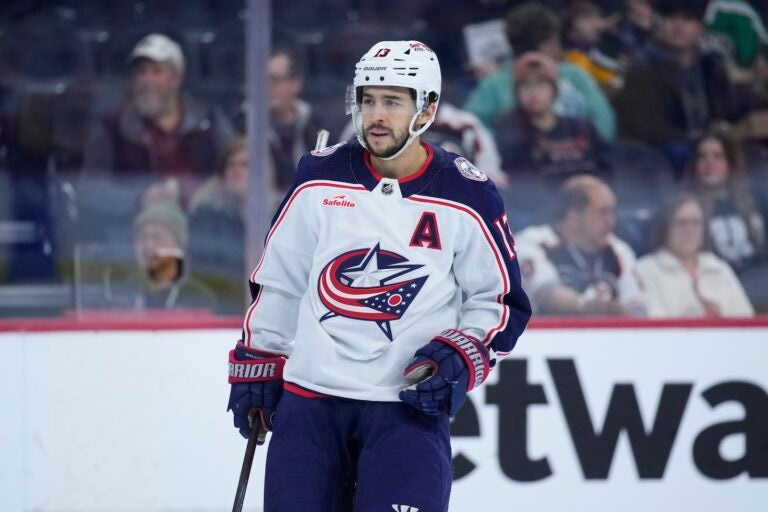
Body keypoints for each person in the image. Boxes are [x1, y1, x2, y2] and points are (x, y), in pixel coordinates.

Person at [226, 40, 531, 511]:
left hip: (405, 411)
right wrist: (261, 355)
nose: (376, 116)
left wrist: (462, 352)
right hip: (310, 404)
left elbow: (500, 302)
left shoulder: (467, 195)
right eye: (368, 100)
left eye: (392, 101)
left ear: (426, 108)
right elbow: (280, 281)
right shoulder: (318, 177)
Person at [82, 33, 235, 202]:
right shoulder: (113, 126)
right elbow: (92, 190)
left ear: (176, 79)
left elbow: (236, 172)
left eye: (156, 72)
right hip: (132, 224)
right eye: (141, 72)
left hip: (203, 220)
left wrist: (205, 196)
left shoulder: (208, 121)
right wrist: (139, 198)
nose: (147, 81)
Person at [612, 0, 742, 171]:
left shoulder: (710, 65)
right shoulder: (642, 67)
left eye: (687, 19)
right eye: (671, 18)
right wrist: (699, 141)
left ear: (699, 27)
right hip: (657, 151)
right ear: (660, 23)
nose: (679, 26)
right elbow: (646, 129)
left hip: (705, 144)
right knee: (686, 153)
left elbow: (729, 110)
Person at [463, 1, 616, 141]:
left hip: (577, 162)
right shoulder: (575, 76)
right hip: (521, 166)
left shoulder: (492, 85)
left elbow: (469, 128)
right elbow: (603, 124)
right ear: (549, 43)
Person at [515, 174, 646, 316]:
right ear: (573, 217)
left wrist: (631, 315)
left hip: (609, 336)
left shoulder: (619, 249)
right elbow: (545, 295)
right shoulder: (533, 243)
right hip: (553, 335)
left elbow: (637, 303)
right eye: (602, 213)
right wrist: (584, 306)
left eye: (612, 213)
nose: (611, 222)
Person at [494, 52, 611, 188]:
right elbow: (519, 182)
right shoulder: (510, 132)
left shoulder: (582, 128)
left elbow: (608, 169)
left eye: (541, 85)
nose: (533, 93)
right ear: (516, 93)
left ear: (554, 90)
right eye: (525, 86)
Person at [97, 184, 218, 310]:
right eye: (142, 237)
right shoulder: (117, 292)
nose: (148, 245)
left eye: (158, 238)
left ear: (179, 246)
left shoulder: (197, 297)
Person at [635, 194, 754, 317]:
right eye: (681, 223)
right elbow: (652, 324)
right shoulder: (645, 270)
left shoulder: (720, 269)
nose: (689, 229)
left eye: (696, 222)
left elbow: (746, 319)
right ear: (665, 228)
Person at [188, 137, 253, 314]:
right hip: (222, 308)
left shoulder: (282, 212)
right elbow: (208, 266)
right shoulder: (207, 214)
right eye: (231, 165)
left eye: (245, 165)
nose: (236, 171)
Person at [267, 45, 323, 192]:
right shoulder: (241, 125)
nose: (267, 87)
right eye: (261, 80)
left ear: (296, 84)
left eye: (275, 80)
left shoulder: (317, 126)